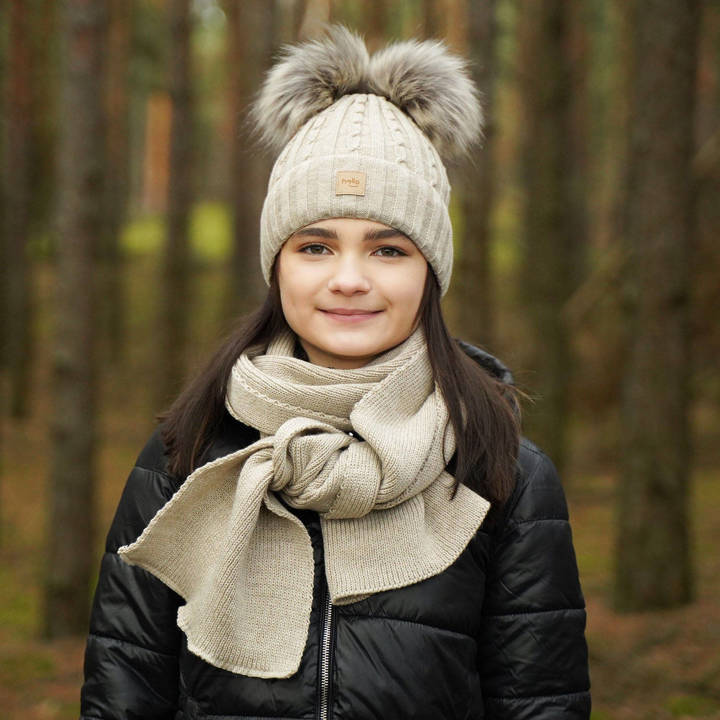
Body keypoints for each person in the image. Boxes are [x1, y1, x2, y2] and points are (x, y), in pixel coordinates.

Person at [80, 26, 590, 720]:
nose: (348, 280)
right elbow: (122, 690)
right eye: (316, 246)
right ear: (277, 265)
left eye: (387, 250)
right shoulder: (188, 452)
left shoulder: (502, 470)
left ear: (430, 272)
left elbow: (541, 705)